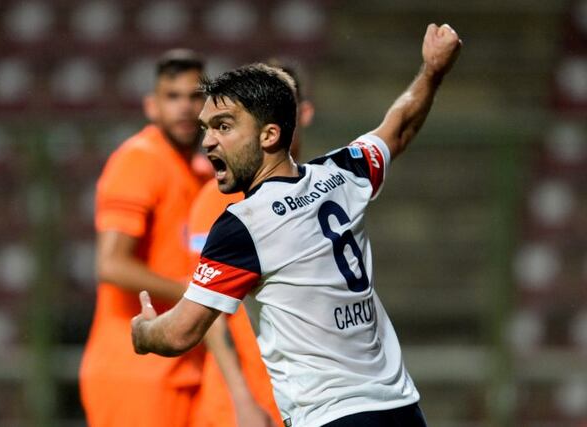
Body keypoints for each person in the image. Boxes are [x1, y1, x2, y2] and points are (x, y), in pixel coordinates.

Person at [132, 23, 462, 427]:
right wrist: (432, 72)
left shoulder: (243, 225)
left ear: (270, 134)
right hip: (401, 409)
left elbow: (181, 333)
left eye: (223, 126)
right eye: (207, 128)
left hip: (330, 416)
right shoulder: (344, 172)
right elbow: (399, 127)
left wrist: (145, 332)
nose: (208, 142)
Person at [79, 49, 208, 427]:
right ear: (152, 106)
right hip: (133, 367)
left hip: (179, 362)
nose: (185, 107)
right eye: (173, 97)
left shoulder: (201, 173)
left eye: (194, 96)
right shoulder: (140, 159)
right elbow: (110, 264)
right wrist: (195, 292)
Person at [188, 60, 315, 427]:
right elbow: (206, 308)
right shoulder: (216, 200)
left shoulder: (319, 189)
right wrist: (242, 400)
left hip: (304, 401)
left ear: (300, 113)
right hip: (241, 406)